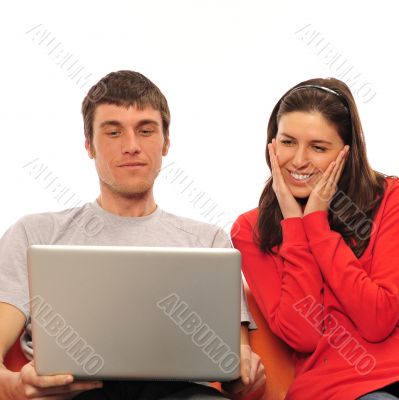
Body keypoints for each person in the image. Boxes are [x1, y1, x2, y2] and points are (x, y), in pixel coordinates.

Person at [0, 70, 266, 400]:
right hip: (74, 394)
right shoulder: (34, 234)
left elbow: (235, 361)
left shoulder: (208, 242)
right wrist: (14, 388)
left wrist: (246, 377)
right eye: (113, 132)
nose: (131, 146)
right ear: (89, 146)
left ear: (166, 142)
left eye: (146, 130)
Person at [231, 77, 399, 400]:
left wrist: (317, 224)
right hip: (333, 391)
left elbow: (377, 317)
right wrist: (298, 224)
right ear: (272, 143)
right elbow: (304, 335)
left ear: (347, 154)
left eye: (318, 148)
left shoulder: (390, 199)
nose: (298, 161)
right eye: (288, 142)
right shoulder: (252, 229)